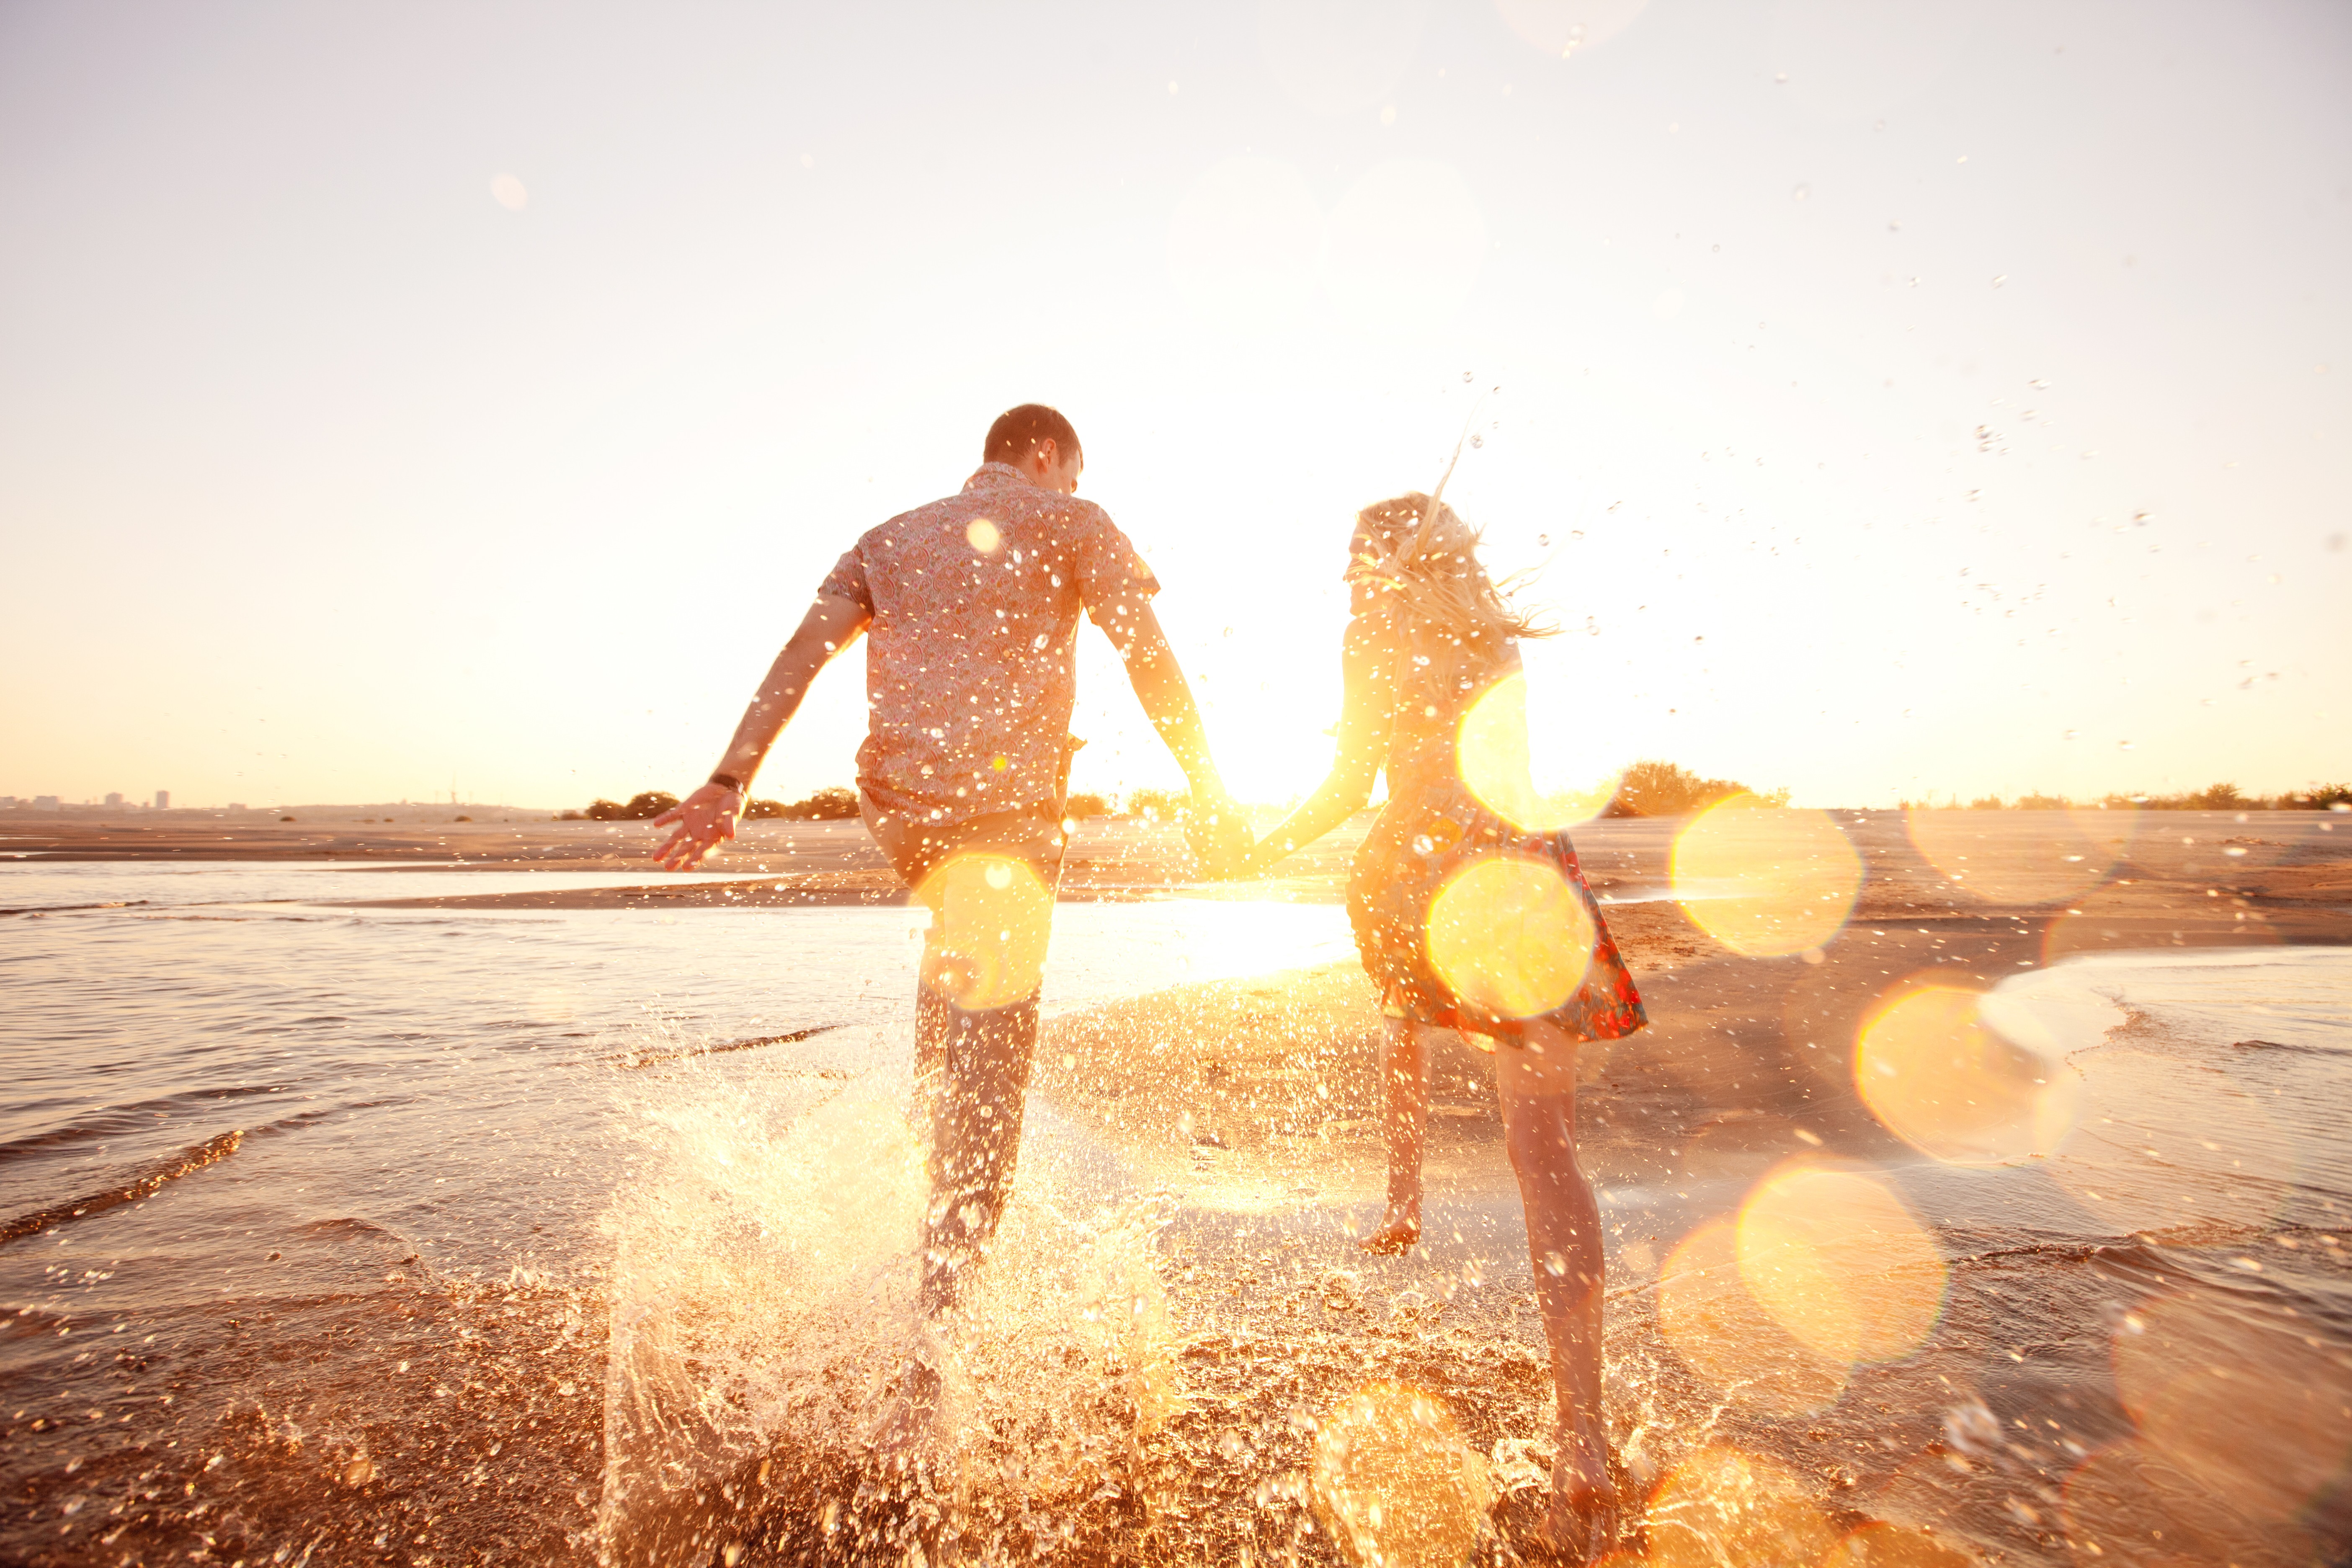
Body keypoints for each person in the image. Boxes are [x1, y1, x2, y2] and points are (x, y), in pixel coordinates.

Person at [650, 403, 1249, 1444]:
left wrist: (727, 781)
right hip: (1005, 819)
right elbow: (1144, 653)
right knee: (992, 1078)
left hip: (905, 814)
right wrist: (1208, 787)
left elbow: (801, 657)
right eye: (1066, 471)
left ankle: (914, 1226)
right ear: (1050, 456)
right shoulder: (1074, 519)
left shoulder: (887, 537)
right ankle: (925, 1379)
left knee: (952, 987)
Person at [1235, 491, 1645, 1558]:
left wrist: (1262, 845)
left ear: (1378, 560)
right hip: (1519, 873)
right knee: (1547, 1152)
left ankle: (1403, 1193)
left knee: (1405, 1013)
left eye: (1355, 555)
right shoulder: (1495, 640)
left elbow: (1347, 780)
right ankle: (1585, 1437)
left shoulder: (1368, 631)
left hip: (1418, 867)